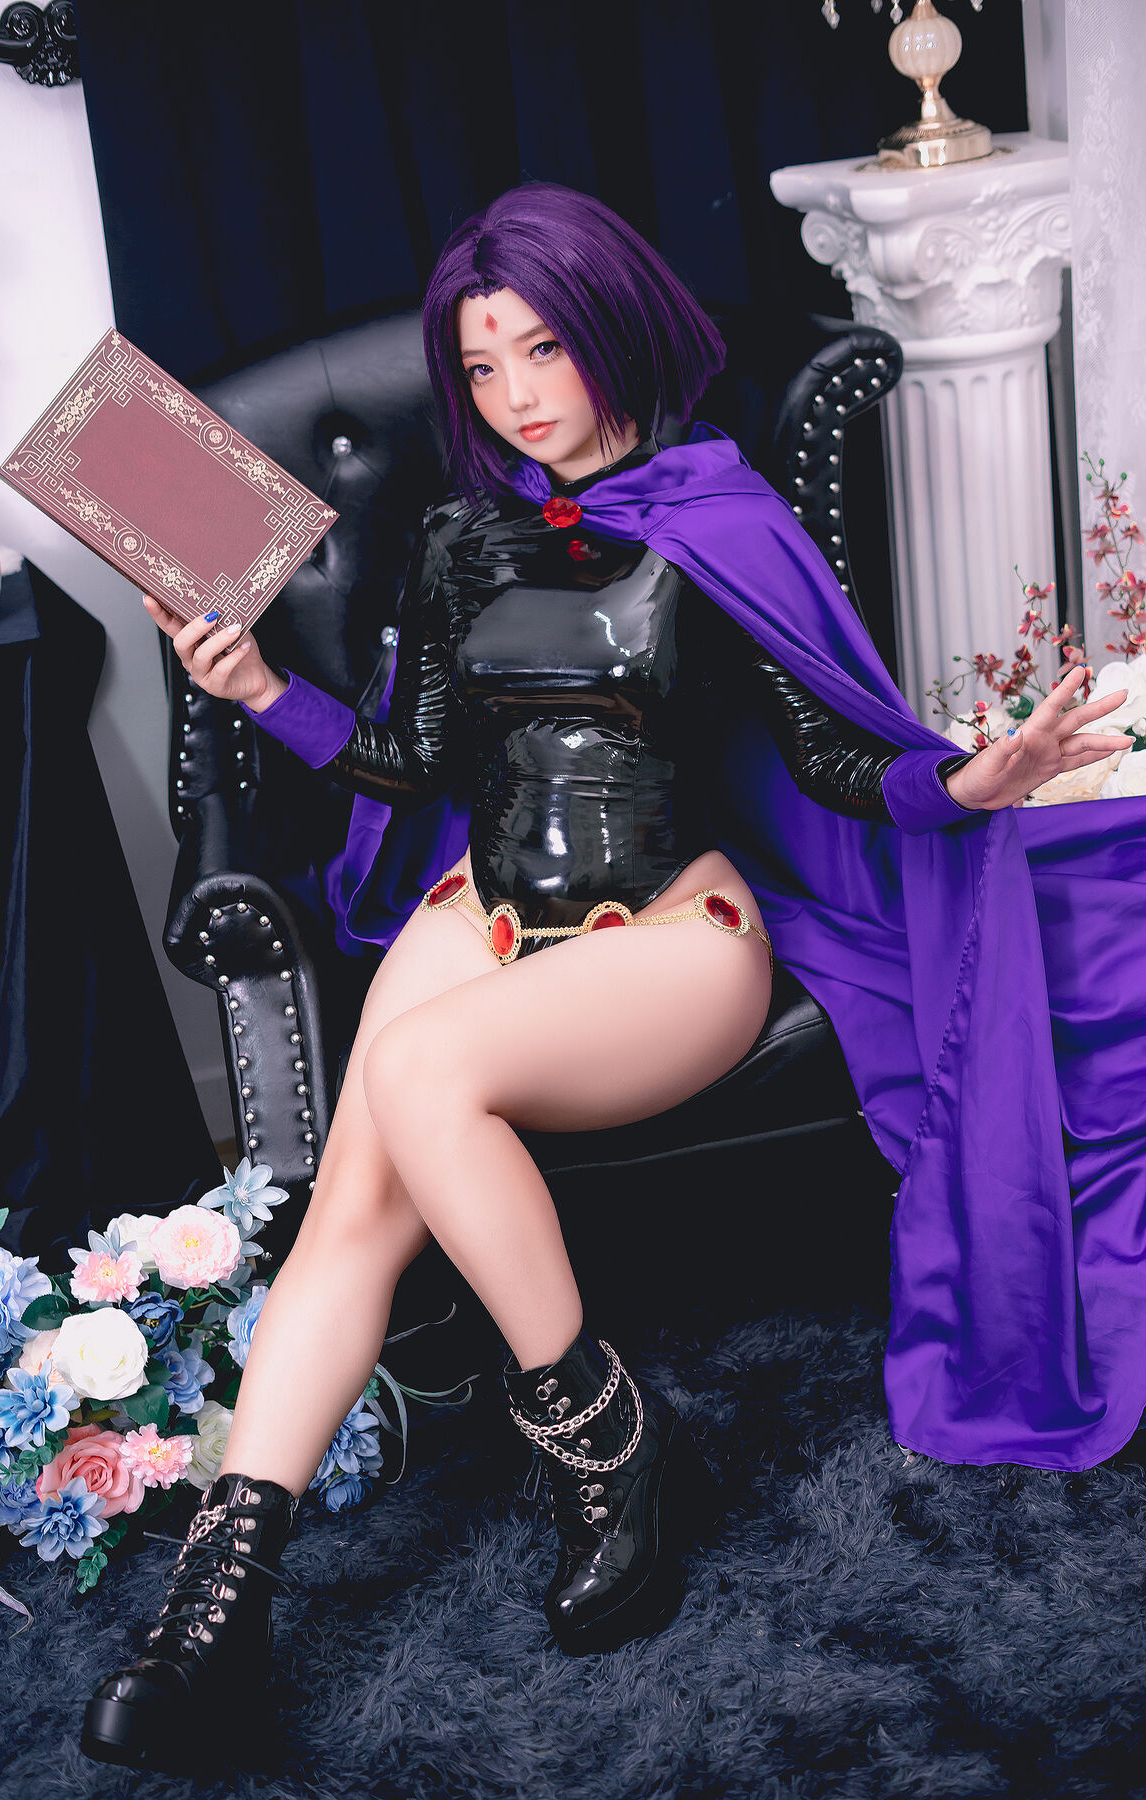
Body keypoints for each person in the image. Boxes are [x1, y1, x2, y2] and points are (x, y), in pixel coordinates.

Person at [81, 182, 1134, 1774]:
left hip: (674, 933)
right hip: (484, 902)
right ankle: (216, 1614)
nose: (515, 394)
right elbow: (413, 758)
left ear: (613, 326)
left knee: (415, 1073)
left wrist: (972, 782)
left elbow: (836, 756)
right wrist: (262, 685)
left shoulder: (727, 519)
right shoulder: (456, 537)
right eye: (482, 364)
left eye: (543, 348)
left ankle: (603, 1444)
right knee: (357, 1193)